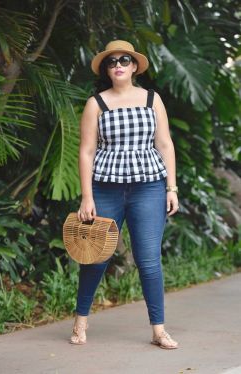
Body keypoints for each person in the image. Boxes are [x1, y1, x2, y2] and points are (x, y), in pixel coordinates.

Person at [71, 40, 179, 349]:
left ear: (134, 66)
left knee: (148, 261)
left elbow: (165, 144)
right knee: (95, 258)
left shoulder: (151, 99)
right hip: (106, 188)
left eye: (124, 59)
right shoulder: (97, 103)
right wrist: (86, 197)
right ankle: (81, 319)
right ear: (107, 69)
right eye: (111, 61)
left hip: (148, 187)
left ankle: (158, 330)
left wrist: (171, 187)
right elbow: (87, 151)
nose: (118, 64)